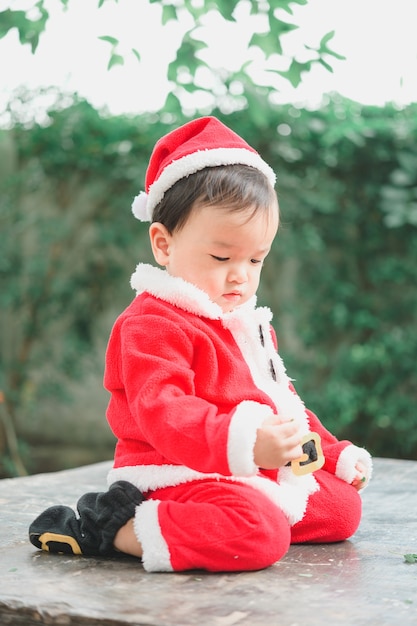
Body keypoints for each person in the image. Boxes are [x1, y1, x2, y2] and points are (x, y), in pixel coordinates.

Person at [29, 116, 372, 573]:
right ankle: (116, 528)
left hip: (237, 467)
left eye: (256, 259)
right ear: (163, 244)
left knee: (340, 509)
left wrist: (332, 453)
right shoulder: (152, 322)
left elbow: (283, 405)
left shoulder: (244, 324)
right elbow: (163, 412)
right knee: (261, 534)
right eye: (221, 257)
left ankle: (227, 518)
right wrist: (249, 444)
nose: (241, 275)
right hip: (174, 472)